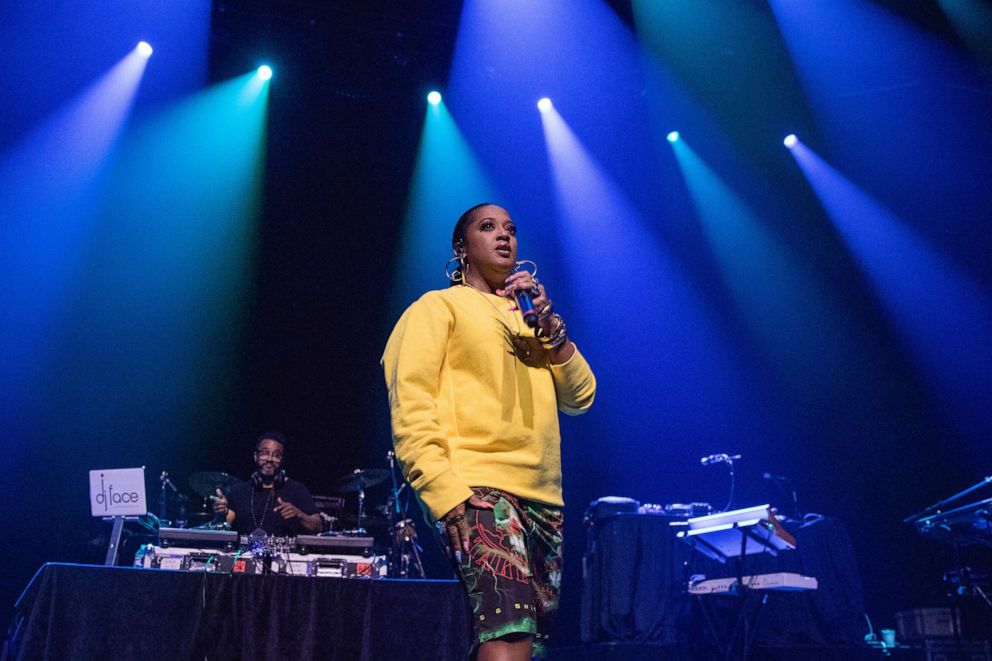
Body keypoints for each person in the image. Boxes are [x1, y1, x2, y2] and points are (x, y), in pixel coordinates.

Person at [382, 203, 596, 660]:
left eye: (511, 229)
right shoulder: (437, 307)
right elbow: (411, 401)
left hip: (544, 500)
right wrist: (442, 490)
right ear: (461, 247)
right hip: (480, 491)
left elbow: (581, 398)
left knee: (528, 643)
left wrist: (551, 328)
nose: (504, 236)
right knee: (509, 634)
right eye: (488, 227)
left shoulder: (534, 322)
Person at [212, 432, 322, 536]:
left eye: (276, 455)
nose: (270, 459)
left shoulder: (297, 490)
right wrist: (221, 513)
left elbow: (318, 526)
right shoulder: (240, 491)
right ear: (255, 456)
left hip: (286, 555)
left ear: (282, 460)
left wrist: (299, 514)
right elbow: (226, 524)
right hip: (246, 554)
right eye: (264, 453)